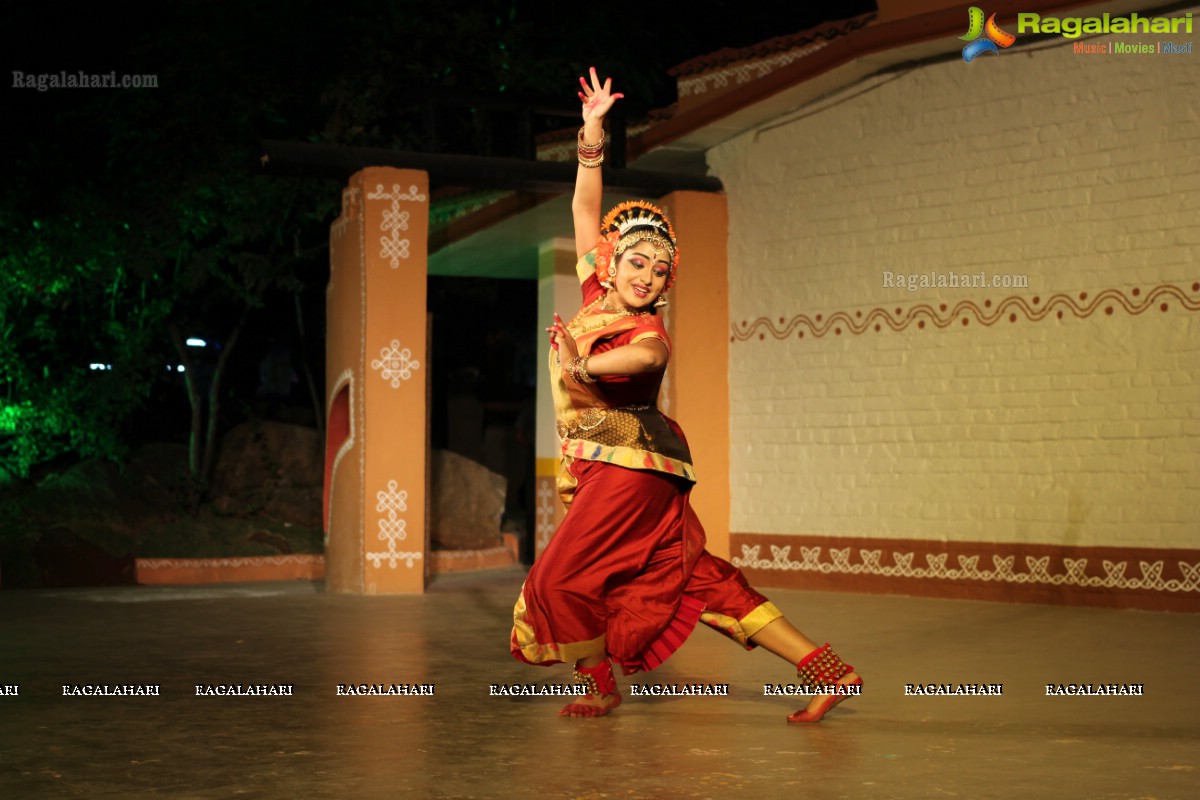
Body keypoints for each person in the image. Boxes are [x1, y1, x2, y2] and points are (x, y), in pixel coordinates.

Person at [509, 68, 861, 721]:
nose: (647, 275)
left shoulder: (647, 333)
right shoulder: (594, 294)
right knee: (692, 576)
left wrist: (583, 360)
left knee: (555, 580)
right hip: (625, 469)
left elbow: (642, 358)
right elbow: (586, 207)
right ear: (610, 261)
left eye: (660, 269)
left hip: (630, 472)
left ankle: (597, 680)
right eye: (637, 261)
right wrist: (591, 134)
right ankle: (826, 670)